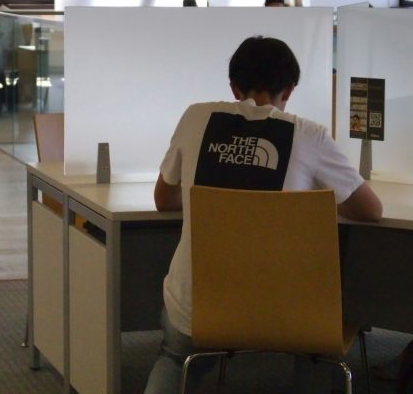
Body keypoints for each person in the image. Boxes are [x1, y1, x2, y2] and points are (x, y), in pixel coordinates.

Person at [144, 36, 382, 394]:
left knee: (174, 357)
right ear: (289, 89)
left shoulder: (196, 117)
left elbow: (164, 199)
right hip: (289, 312)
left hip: (199, 309)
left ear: (233, 87)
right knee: (315, 349)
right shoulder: (309, 135)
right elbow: (370, 210)